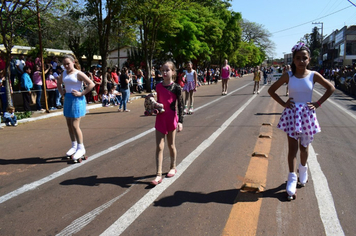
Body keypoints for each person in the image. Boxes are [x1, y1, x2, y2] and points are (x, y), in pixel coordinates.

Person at [268, 42, 335, 200]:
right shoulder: (288, 76)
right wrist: (284, 104)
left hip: (306, 115)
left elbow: (330, 88)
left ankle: (303, 170)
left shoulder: (313, 75)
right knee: (292, 148)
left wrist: (317, 103)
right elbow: (271, 90)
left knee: (304, 147)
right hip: (292, 114)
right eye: (298, 58)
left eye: (304, 58)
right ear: (294, 60)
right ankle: (292, 178)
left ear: (309, 59)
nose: (301, 61)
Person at [151, 61, 184, 185]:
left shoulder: (176, 87)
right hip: (160, 118)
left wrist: (180, 121)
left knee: (171, 145)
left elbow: (181, 105)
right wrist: (152, 107)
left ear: (173, 72)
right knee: (159, 146)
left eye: (167, 70)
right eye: (163, 70)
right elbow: (157, 102)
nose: (164, 72)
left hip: (171, 118)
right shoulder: (158, 86)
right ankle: (158, 174)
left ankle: (173, 166)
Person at [57, 54, 94, 161]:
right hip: (68, 99)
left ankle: (81, 148)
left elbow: (91, 84)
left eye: (68, 64)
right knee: (69, 124)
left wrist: (82, 93)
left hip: (77, 99)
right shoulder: (63, 73)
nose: (66, 66)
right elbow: (59, 83)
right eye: (64, 64)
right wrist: (61, 92)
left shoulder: (78, 73)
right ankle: (74, 146)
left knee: (75, 124)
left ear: (73, 62)